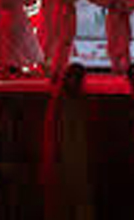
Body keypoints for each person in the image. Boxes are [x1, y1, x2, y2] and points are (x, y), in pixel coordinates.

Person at [35, 0, 98, 86]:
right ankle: (48, 74)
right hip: (49, 19)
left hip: (66, 19)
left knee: (63, 47)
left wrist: (113, 2)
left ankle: (58, 74)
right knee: (47, 45)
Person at [41, 63, 95, 220]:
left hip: (75, 158)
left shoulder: (72, 102)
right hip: (68, 158)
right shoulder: (63, 102)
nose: (79, 83)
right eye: (76, 78)